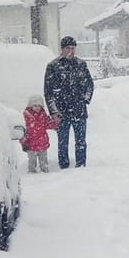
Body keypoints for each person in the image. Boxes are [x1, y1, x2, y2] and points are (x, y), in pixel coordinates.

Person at [44, 36, 94, 168]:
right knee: (63, 142)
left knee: (81, 141)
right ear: (62, 49)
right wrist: (54, 111)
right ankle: (64, 166)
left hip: (79, 110)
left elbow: (90, 84)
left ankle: (81, 165)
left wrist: (85, 99)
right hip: (62, 112)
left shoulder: (81, 64)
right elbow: (48, 92)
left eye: (73, 48)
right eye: (68, 48)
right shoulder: (53, 66)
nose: (71, 51)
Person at [20, 94, 57, 173]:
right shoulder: (26, 116)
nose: (37, 107)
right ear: (30, 106)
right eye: (35, 105)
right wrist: (23, 142)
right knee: (31, 161)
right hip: (30, 143)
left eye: (39, 106)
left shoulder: (43, 115)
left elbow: (49, 124)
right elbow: (23, 130)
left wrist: (56, 124)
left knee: (43, 160)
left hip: (42, 142)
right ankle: (31, 172)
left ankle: (44, 170)